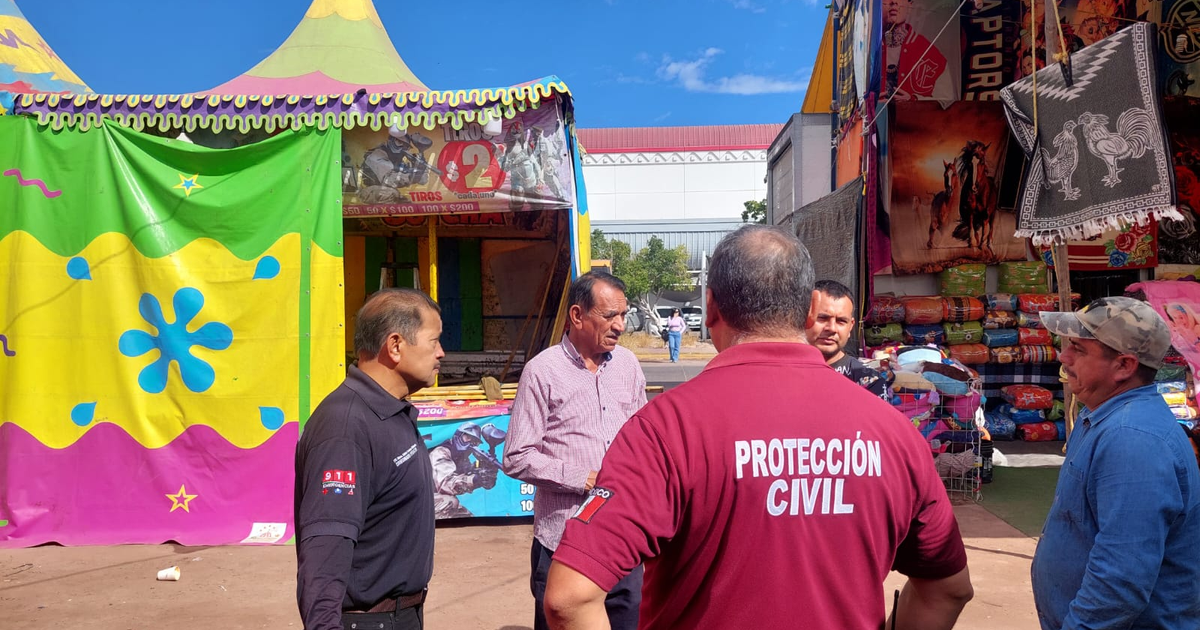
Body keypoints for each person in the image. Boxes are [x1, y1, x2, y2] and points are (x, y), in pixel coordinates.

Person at [543, 225, 973, 630]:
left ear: (710, 306)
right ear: (808, 311)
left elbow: (569, 598)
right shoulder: (893, 433)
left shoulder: (665, 428)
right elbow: (947, 590)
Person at [1033, 297, 1200, 630]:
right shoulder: (1099, 415)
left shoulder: (1132, 439)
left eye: (1079, 350)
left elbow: (1120, 580)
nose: (1063, 357)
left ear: (1124, 366)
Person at [502, 270, 648, 630]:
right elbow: (516, 456)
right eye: (609, 315)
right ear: (577, 316)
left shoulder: (628, 366)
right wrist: (584, 479)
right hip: (562, 543)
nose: (620, 326)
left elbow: (644, 440)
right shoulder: (542, 372)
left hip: (622, 541)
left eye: (623, 315)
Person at [294, 288, 445, 630]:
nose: (441, 353)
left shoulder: (389, 412)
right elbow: (326, 549)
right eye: (433, 340)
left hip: (399, 616)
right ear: (395, 345)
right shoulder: (345, 426)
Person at [805, 279, 889, 399]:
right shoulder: (784, 373)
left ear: (850, 327)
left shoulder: (868, 380)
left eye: (841, 321)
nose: (832, 328)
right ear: (803, 319)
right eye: (822, 318)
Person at [883, 0, 948, 100]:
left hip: (913, 114)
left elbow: (947, 100)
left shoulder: (930, 54)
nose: (894, 2)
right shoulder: (866, 50)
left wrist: (914, 99)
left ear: (910, 5)